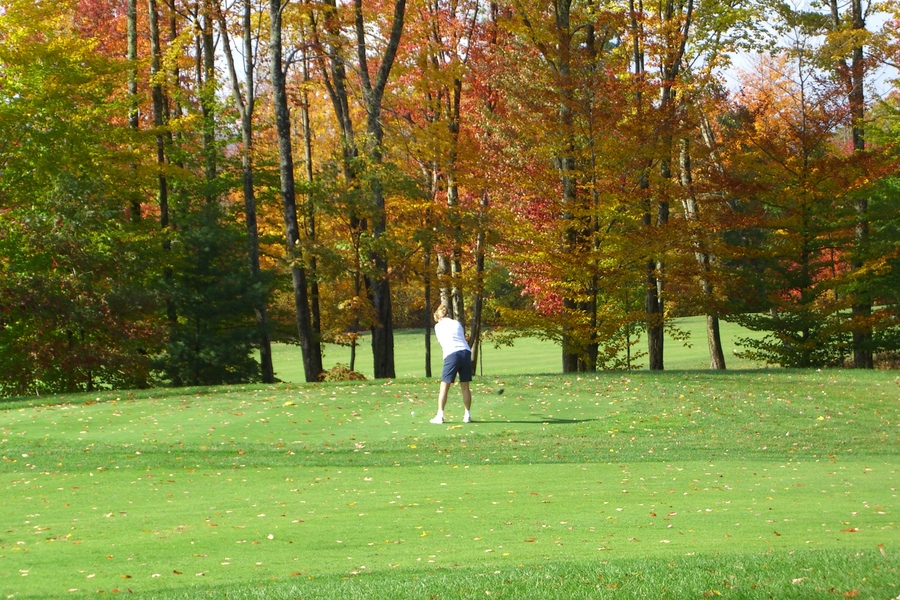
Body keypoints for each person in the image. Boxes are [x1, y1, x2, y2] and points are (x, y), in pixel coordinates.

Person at [430, 304, 473, 424]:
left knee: (444, 386)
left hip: (452, 354)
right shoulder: (457, 323)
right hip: (465, 352)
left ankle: (440, 416)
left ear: (439, 317)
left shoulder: (438, 326)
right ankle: (467, 415)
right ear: (448, 314)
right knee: (465, 386)